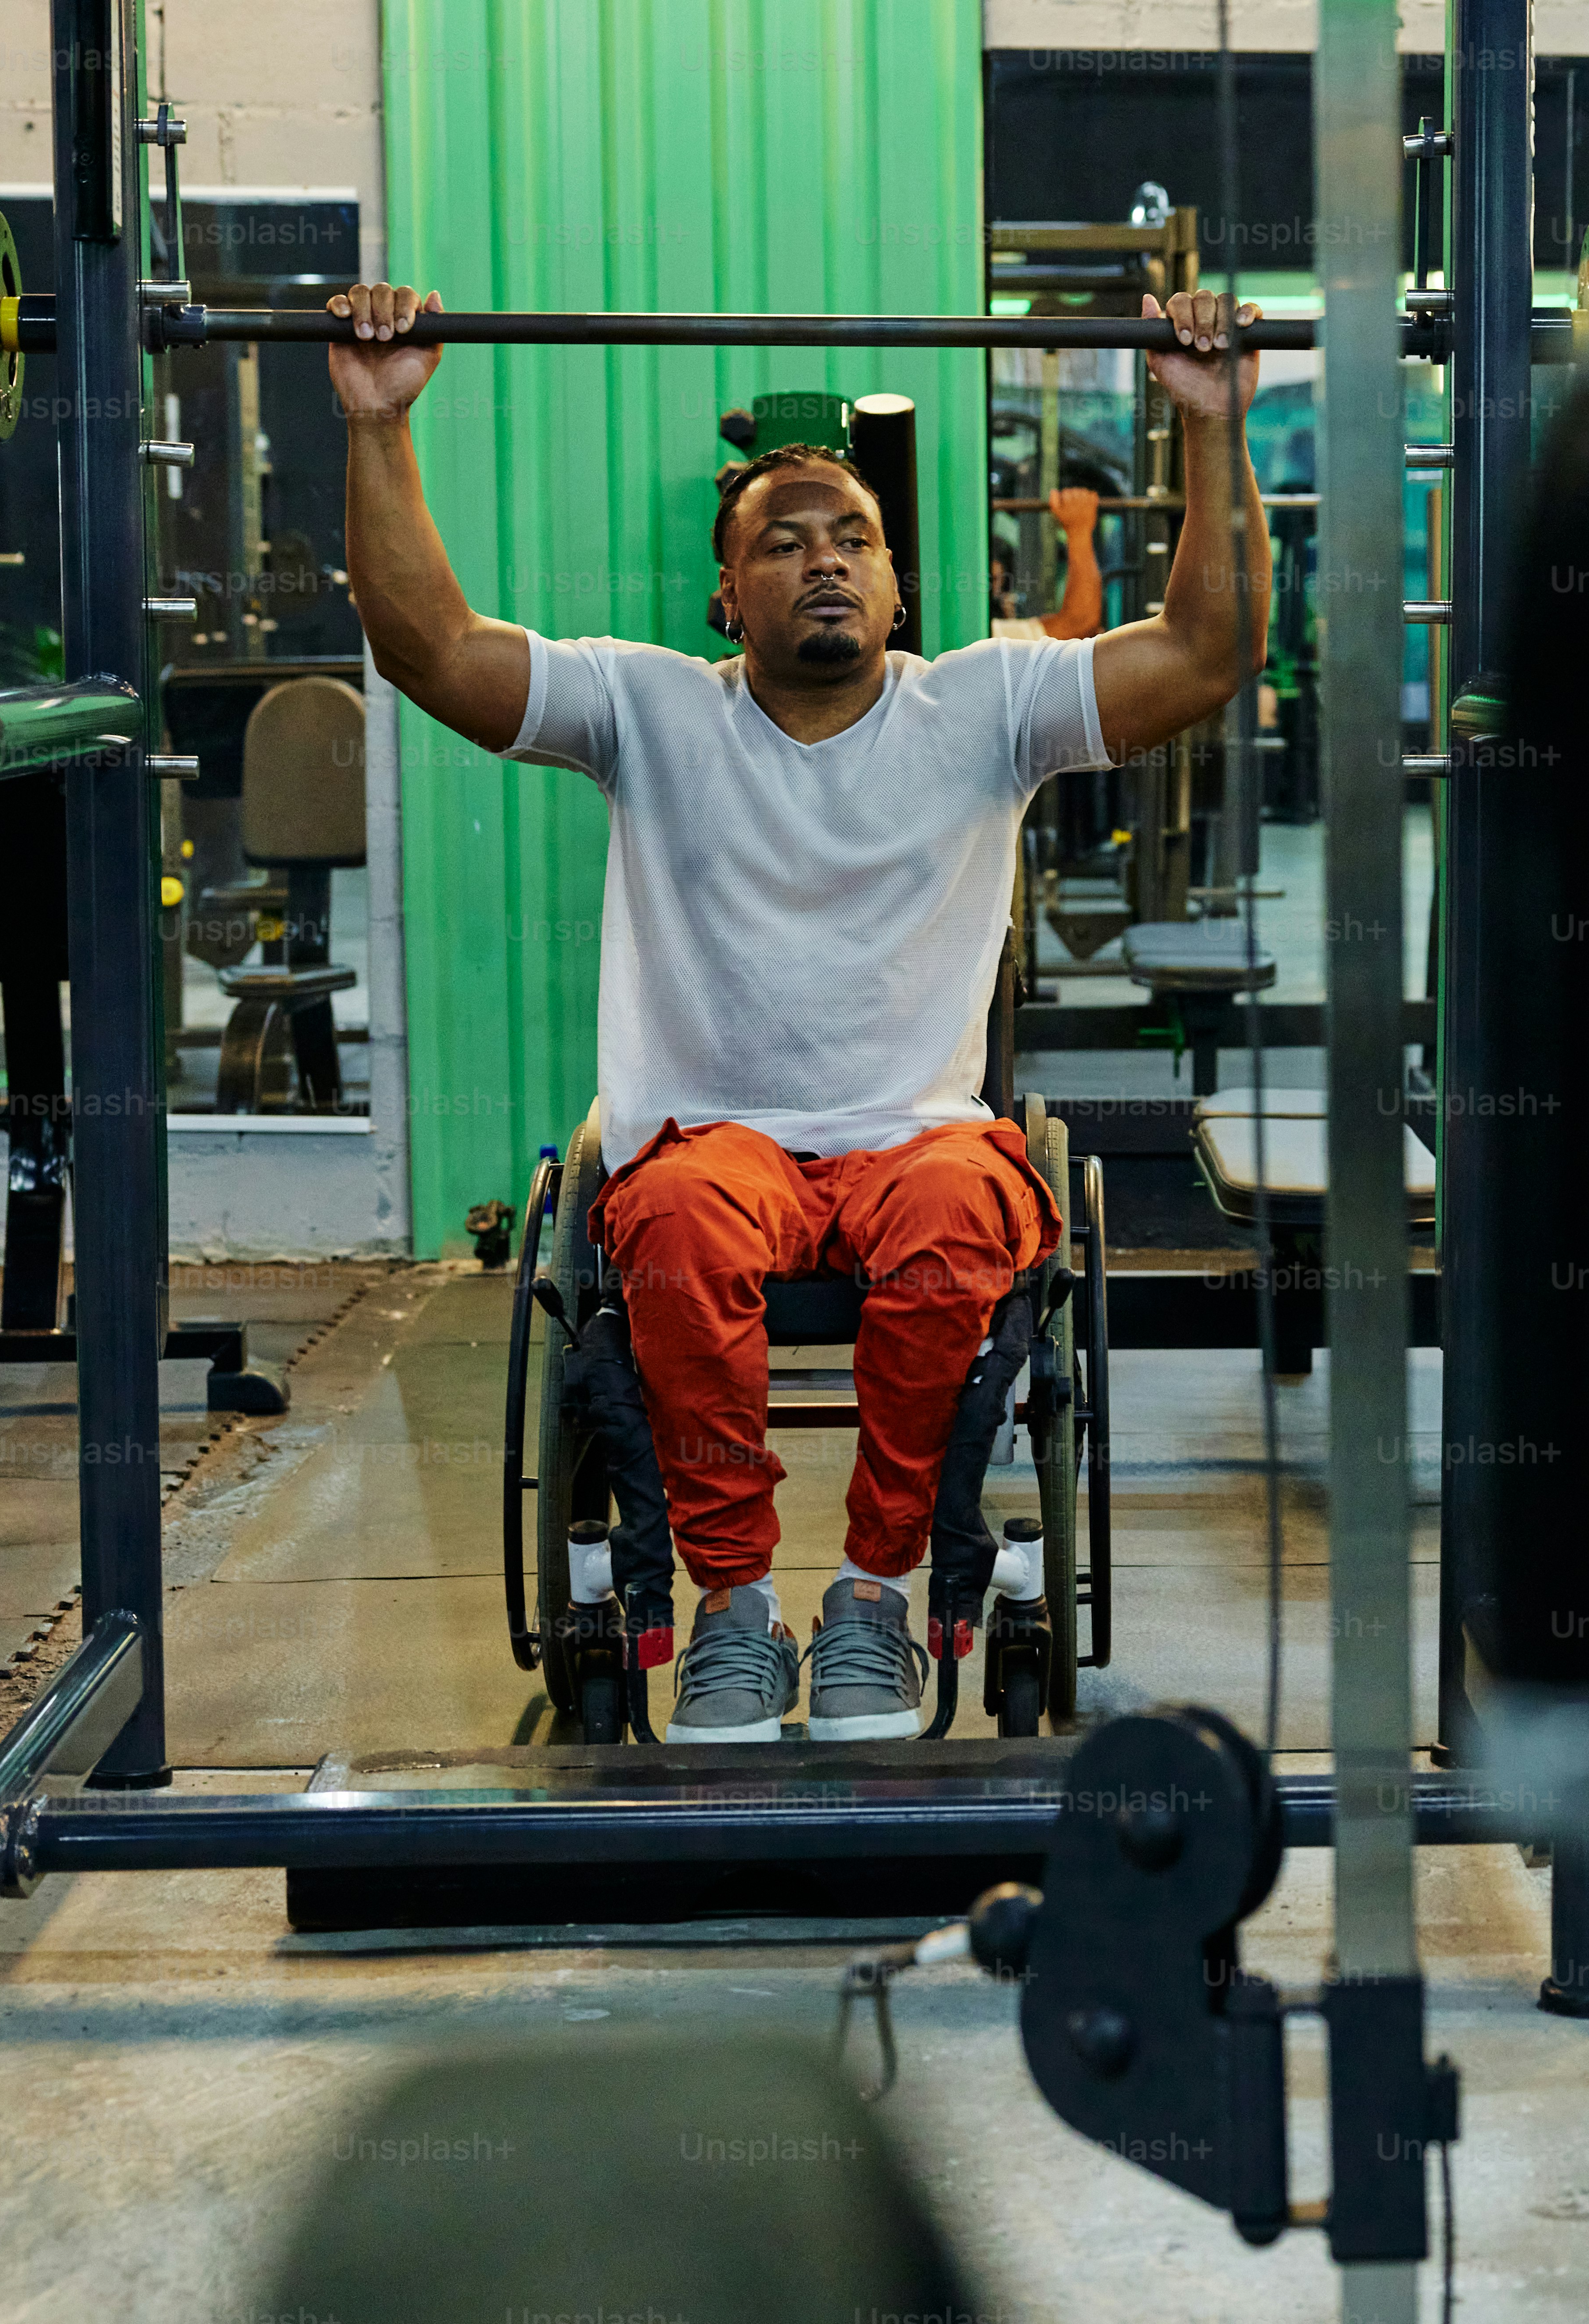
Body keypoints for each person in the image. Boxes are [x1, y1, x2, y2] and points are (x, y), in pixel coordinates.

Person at [335, 283, 1267, 1741]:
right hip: (717, 1140)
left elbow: (1205, 658)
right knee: (682, 1219)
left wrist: (1211, 432)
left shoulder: (986, 710)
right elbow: (430, 648)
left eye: (856, 540)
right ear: (727, 595)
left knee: (967, 1213)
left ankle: (875, 1599)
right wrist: (381, 423)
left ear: (899, 587)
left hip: (919, 1144)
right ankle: (733, 1610)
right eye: (784, 542)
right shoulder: (647, 710)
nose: (825, 561)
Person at [991, 484, 1104, 642]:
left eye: (997, 581)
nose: (993, 590)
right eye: (990, 580)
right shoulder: (982, 633)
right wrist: (1079, 531)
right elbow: (1078, 626)